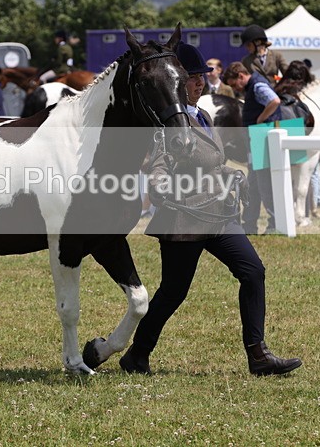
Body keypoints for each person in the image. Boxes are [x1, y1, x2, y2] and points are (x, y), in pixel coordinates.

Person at [120, 42, 302, 377]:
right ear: (177, 83)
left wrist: (233, 174)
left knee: (252, 271)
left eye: (202, 77)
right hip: (184, 218)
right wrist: (159, 188)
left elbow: (213, 160)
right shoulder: (170, 124)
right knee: (174, 292)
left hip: (218, 215)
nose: (199, 83)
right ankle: (137, 355)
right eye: (192, 78)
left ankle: (258, 355)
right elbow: (157, 167)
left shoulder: (202, 116)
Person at [224, 61, 281, 234]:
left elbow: (274, 101)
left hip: (260, 138)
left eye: (235, 84)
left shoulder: (257, 86)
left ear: (241, 76)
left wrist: (260, 119)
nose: (236, 89)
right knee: (254, 184)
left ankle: (274, 225)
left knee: (264, 184)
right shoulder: (253, 85)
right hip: (256, 139)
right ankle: (249, 225)